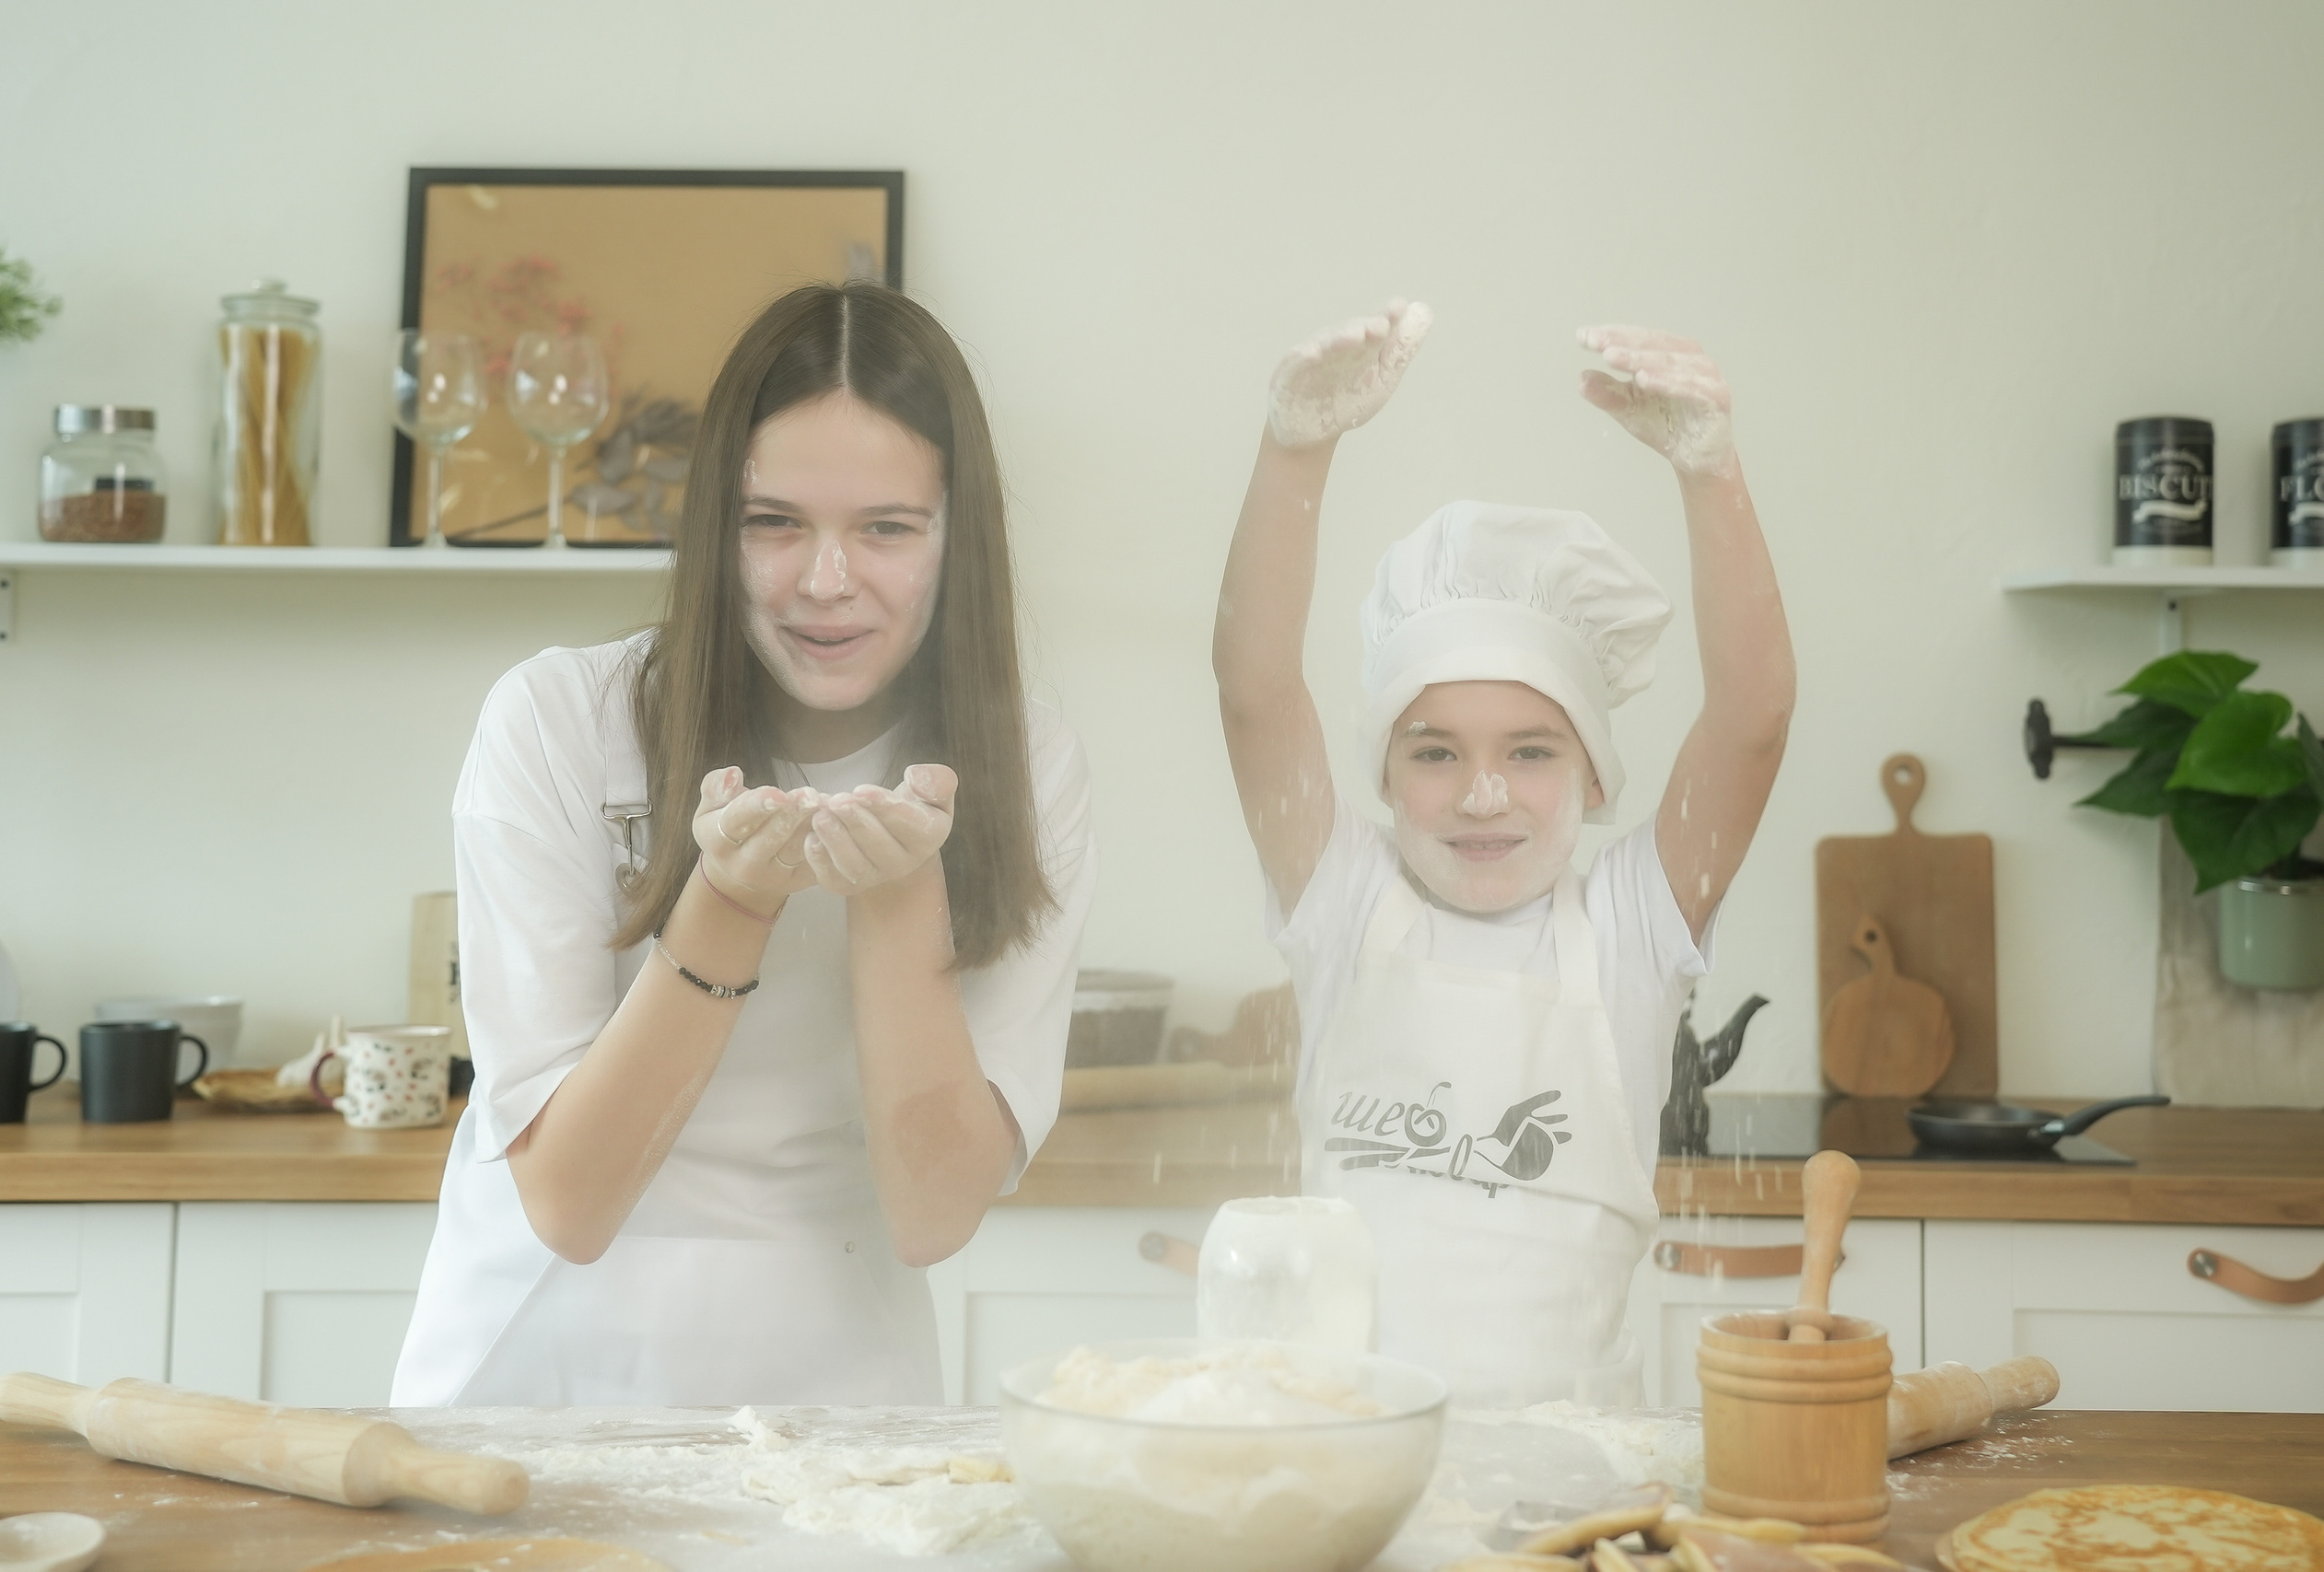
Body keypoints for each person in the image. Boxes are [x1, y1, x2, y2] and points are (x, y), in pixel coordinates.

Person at [391, 283, 1095, 1407]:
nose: (826, 582)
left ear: (957, 540)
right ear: (716, 523)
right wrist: (729, 898)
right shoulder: (560, 719)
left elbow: (932, 1215)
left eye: (887, 528)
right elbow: (570, 1204)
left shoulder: (1025, 768)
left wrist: (900, 896)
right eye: (775, 523)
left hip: (840, 1384)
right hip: (537, 1380)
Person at [1212, 302, 1793, 1406]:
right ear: (1382, 778)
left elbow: (1752, 720)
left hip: (1576, 1499)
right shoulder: (1348, 902)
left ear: (1593, 777)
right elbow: (1252, 693)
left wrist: (1710, 474)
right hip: (1347, 1471)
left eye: (1529, 751)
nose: (1484, 794)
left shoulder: (1625, 930)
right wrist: (1296, 448)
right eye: (1434, 753)